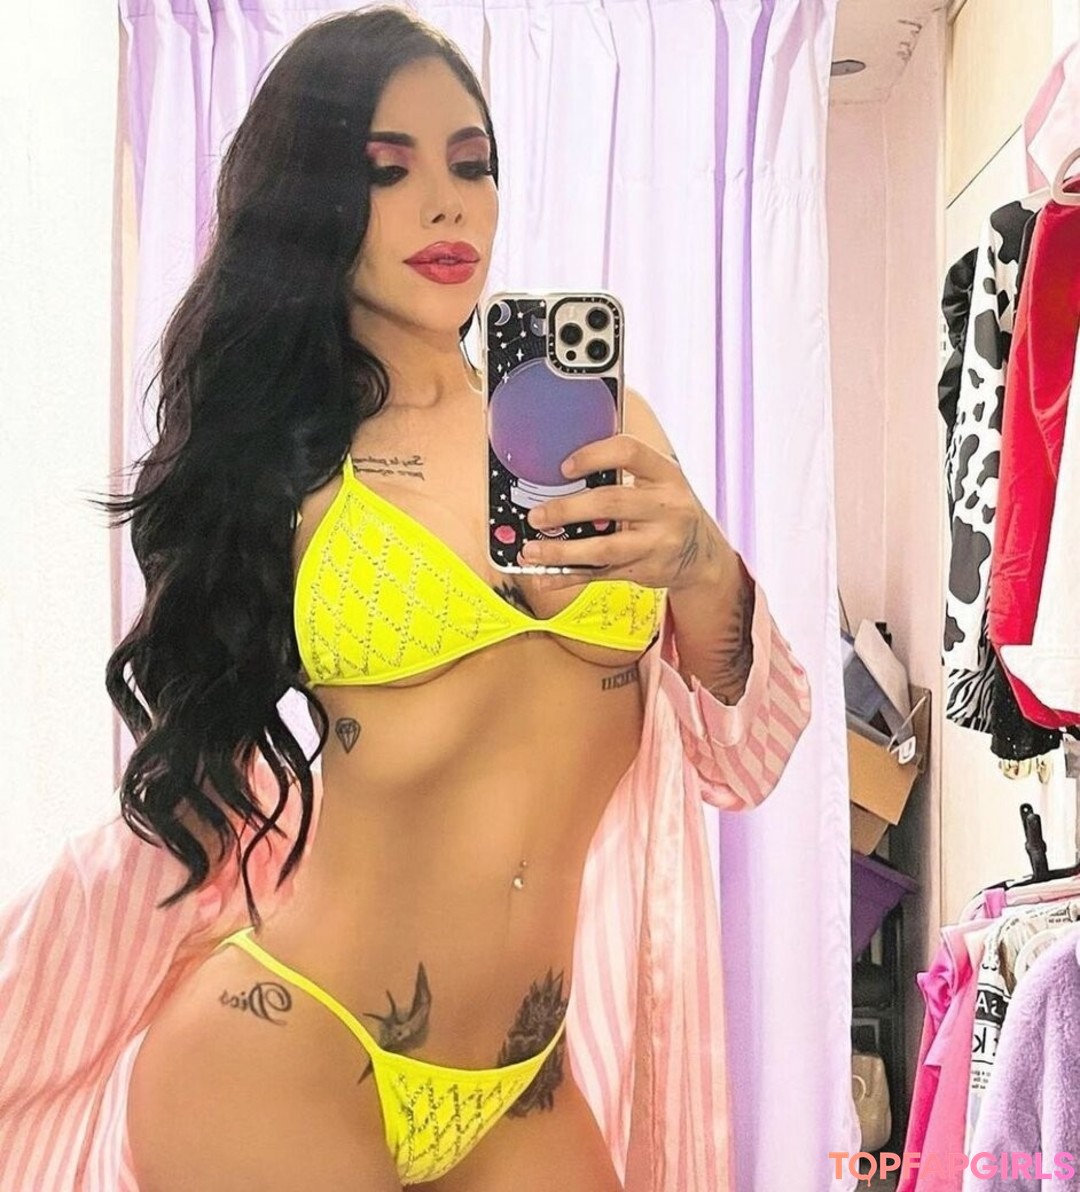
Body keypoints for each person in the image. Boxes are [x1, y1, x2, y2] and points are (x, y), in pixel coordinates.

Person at [0, 8, 811, 1191]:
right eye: (389, 172)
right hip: (288, 1049)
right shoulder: (286, 466)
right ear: (313, 204)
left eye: (471, 165)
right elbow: (200, 773)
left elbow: (745, 763)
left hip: (525, 1085)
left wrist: (704, 568)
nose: (447, 206)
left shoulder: (606, 428)